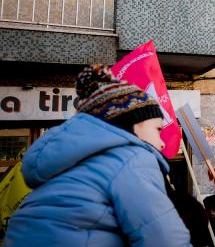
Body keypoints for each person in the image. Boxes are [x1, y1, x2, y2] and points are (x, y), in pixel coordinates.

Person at [5, 65, 190, 246]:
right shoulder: (131, 157)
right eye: (158, 129)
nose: (162, 141)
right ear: (130, 125)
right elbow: (163, 237)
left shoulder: (72, 164)